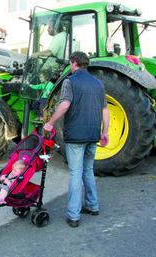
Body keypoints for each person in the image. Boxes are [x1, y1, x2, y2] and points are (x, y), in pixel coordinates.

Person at [43, 51, 109, 228]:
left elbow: (64, 105)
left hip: (75, 136)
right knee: (88, 170)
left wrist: (50, 122)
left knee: (75, 173)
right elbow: (105, 110)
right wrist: (105, 132)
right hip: (93, 135)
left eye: (70, 64)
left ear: (73, 63)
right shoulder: (98, 83)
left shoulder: (69, 81)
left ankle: (73, 215)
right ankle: (93, 206)